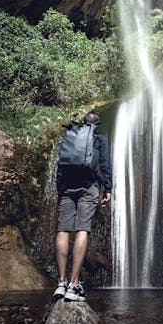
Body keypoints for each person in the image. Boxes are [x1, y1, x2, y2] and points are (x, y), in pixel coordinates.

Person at [53, 112, 112, 301]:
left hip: (67, 186)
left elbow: (60, 164)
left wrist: (60, 187)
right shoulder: (99, 137)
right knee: (82, 230)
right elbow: (105, 164)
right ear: (97, 124)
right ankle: (74, 284)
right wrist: (108, 188)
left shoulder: (70, 134)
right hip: (88, 187)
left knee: (62, 230)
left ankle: (61, 283)